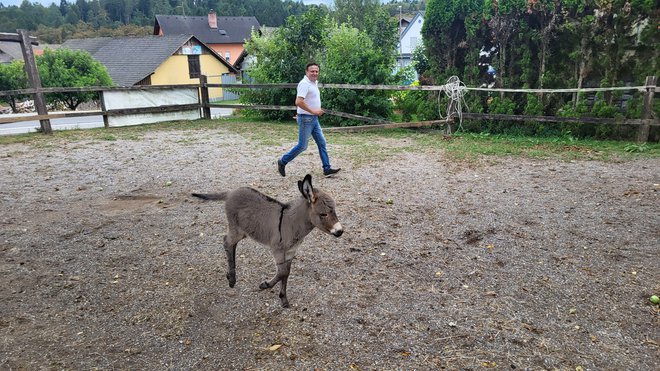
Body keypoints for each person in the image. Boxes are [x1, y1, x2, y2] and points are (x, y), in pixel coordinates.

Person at [277, 63, 341, 178]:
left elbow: (308, 100)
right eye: (312, 71)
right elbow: (298, 101)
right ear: (306, 72)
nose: (315, 73)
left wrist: (310, 112)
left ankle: (327, 168)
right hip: (307, 119)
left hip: (313, 119)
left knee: (322, 143)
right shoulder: (304, 84)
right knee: (302, 146)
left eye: (316, 71)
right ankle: (282, 161)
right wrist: (312, 112)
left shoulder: (313, 82)